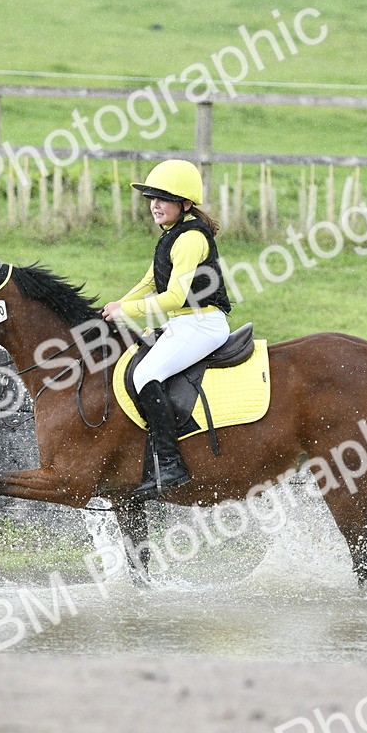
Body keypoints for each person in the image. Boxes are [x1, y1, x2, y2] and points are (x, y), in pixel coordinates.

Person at [101, 159, 233, 498]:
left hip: (203, 323)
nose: (155, 205)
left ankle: (172, 465)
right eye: (151, 198)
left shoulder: (190, 239)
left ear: (185, 204)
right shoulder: (172, 235)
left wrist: (127, 310)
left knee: (145, 375)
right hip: (186, 322)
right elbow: (149, 281)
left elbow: (174, 297)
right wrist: (115, 306)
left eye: (164, 198)